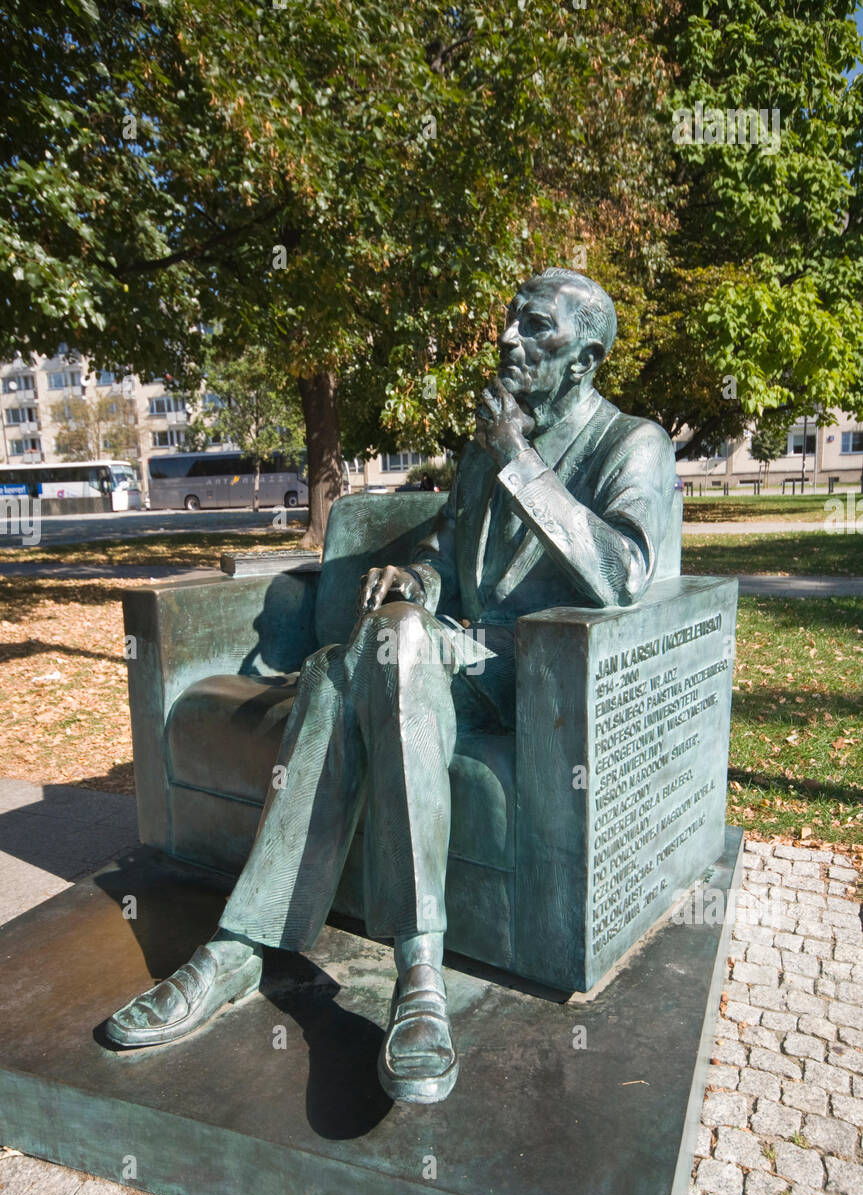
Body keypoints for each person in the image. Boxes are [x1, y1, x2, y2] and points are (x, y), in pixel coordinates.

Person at [104, 268, 676, 1104]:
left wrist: (516, 459)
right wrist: (417, 577)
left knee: (365, 665)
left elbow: (620, 576)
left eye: (537, 329)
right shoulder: (487, 452)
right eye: (509, 320)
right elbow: (449, 557)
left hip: (546, 679)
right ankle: (397, 972)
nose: (509, 339)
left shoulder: (631, 445)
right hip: (444, 654)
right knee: (359, 661)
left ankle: (259, 949)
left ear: (585, 357)